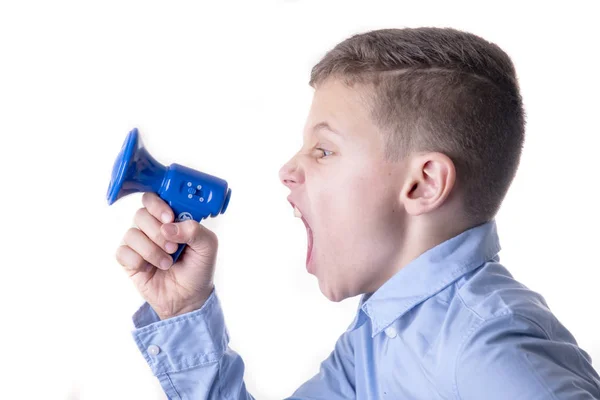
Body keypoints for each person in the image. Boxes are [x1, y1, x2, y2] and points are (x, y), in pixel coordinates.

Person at [115, 27, 600, 399]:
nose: (288, 169)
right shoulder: (375, 340)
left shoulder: (490, 347)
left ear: (423, 184)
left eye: (324, 150)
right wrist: (182, 309)